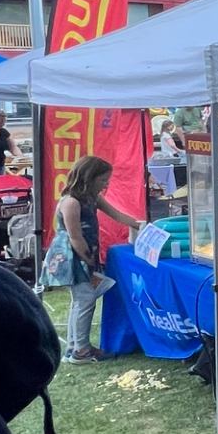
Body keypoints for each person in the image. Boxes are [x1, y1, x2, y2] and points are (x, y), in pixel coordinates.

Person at [55, 155, 143, 363]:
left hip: (87, 254)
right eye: (103, 180)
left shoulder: (92, 197)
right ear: (89, 178)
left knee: (81, 301)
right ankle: (82, 351)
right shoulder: (71, 202)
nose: (106, 184)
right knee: (85, 300)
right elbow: (75, 237)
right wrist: (88, 261)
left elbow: (117, 214)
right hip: (75, 257)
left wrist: (140, 225)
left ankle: (74, 346)